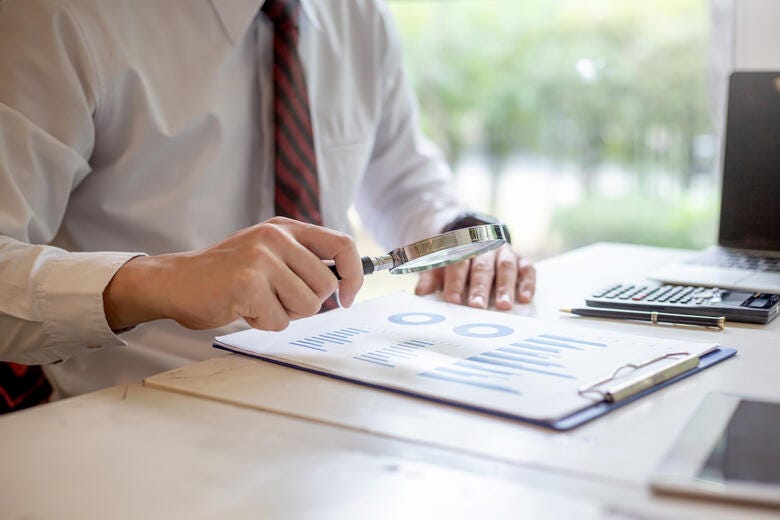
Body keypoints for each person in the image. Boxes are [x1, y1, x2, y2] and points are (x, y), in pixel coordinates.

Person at [0, 0, 536, 399]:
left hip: (337, 392)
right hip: (132, 409)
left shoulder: (359, 14)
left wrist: (458, 233)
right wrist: (165, 282)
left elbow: (401, 176)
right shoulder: (60, 16)